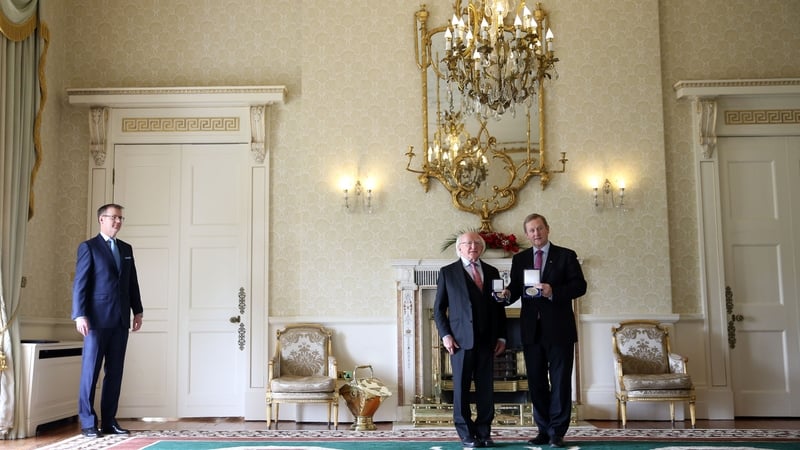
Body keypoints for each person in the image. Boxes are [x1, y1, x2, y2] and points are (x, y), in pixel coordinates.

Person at [502, 213, 586, 448]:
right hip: (532, 331)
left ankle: (557, 432)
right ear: (527, 235)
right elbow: (516, 288)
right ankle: (542, 429)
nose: (536, 233)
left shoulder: (566, 255)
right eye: (531, 230)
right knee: (536, 383)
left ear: (547, 229)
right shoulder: (520, 259)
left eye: (539, 228)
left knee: (560, 382)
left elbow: (580, 286)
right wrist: (506, 294)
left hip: (559, 330)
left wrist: (553, 291)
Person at [71, 203, 143, 438]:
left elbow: (131, 282)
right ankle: (88, 423)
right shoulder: (89, 247)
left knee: (115, 373)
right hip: (96, 321)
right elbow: (80, 283)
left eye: (121, 218)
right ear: (101, 219)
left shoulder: (126, 248)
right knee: (90, 373)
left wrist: (137, 311)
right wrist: (79, 315)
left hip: (121, 320)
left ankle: (109, 421)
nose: (118, 221)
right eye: (114, 217)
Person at [434, 231, 507, 448]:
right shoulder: (447, 273)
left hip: (487, 340)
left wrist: (502, 336)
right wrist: (446, 335)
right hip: (459, 342)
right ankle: (466, 434)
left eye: (476, 243)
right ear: (459, 248)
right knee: (461, 389)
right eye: (467, 243)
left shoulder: (493, 272)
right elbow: (438, 309)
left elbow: (499, 308)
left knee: (486, 390)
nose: (472, 247)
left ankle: (484, 432)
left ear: (482, 248)